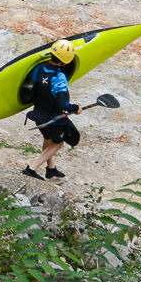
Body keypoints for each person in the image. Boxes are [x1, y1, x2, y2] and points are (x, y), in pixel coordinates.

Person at [23, 39, 89, 180]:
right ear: (66, 60)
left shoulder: (38, 68)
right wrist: (76, 108)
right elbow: (63, 105)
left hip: (38, 114)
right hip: (52, 118)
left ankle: (51, 169)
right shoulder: (59, 78)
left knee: (48, 140)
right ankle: (31, 168)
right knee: (57, 143)